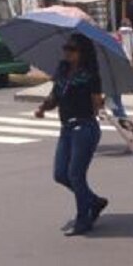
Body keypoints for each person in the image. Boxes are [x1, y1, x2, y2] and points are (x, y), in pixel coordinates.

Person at [33, 34, 109, 237]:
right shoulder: (63, 70)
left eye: (72, 49)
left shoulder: (91, 75)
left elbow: (96, 105)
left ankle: (84, 218)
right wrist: (42, 108)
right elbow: (55, 95)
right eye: (66, 48)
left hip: (85, 128)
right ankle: (94, 201)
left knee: (76, 174)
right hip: (66, 128)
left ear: (82, 52)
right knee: (60, 174)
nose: (67, 52)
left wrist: (100, 102)